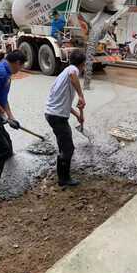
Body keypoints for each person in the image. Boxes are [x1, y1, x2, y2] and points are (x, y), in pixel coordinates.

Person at [45, 50, 86, 186]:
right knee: (69, 148)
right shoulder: (72, 70)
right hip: (57, 116)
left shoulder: (63, 74)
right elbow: (72, 74)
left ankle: (62, 171)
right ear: (83, 64)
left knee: (64, 145)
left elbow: (64, 103)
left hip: (54, 114)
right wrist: (81, 95)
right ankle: (63, 179)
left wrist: (77, 115)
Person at [0, 50, 26, 186]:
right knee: (2, 149)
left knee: (7, 142)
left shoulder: (7, 73)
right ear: (17, 63)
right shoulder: (0, 72)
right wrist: (2, 114)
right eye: (21, 66)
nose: (21, 69)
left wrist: (10, 117)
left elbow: (2, 97)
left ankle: (7, 157)